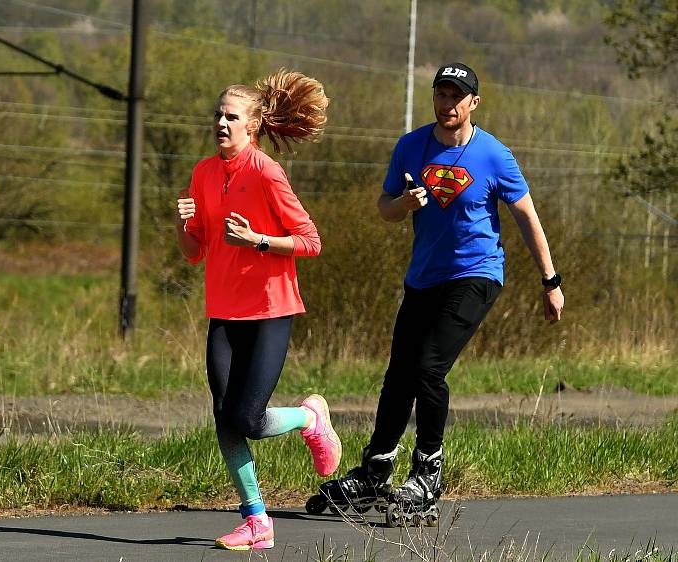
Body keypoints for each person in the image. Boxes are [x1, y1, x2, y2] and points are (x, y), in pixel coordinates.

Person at [318, 62, 565, 521]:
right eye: (441, 95)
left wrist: (550, 281)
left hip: (476, 274)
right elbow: (385, 209)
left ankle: (428, 472)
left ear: (474, 102)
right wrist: (404, 203)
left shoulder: (494, 155)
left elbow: (527, 218)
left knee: (429, 368)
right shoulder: (411, 147)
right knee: (399, 374)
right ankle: (375, 470)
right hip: (423, 278)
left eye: (457, 96)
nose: (447, 104)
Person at [175, 69, 342, 551]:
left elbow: (311, 241)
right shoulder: (204, 173)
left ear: (253, 126)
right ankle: (256, 520)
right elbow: (194, 252)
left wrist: (259, 240)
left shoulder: (267, 172)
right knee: (224, 417)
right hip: (224, 313)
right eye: (218, 116)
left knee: (248, 418)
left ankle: (310, 419)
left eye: (232, 117)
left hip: (269, 310)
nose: (222, 124)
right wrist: (182, 226)